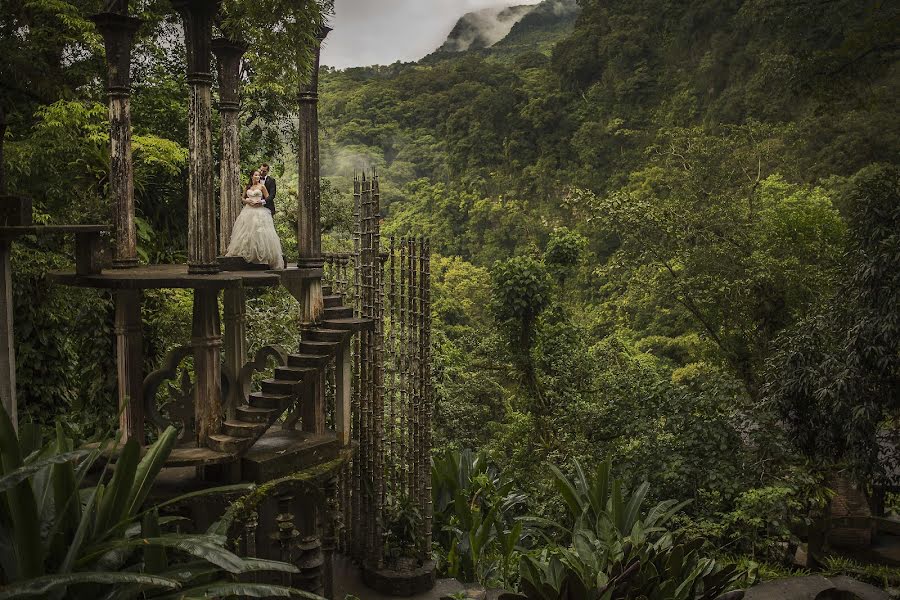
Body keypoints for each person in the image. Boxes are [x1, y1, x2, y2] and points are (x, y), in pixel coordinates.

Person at [225, 169, 285, 269]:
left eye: (258, 175)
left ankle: (261, 256)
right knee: (246, 232)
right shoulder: (247, 186)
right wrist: (247, 201)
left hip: (259, 211)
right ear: (252, 176)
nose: (258, 177)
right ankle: (246, 253)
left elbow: (267, 197)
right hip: (248, 211)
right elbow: (242, 198)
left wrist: (260, 202)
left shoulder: (262, 186)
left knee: (260, 233)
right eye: (256, 175)